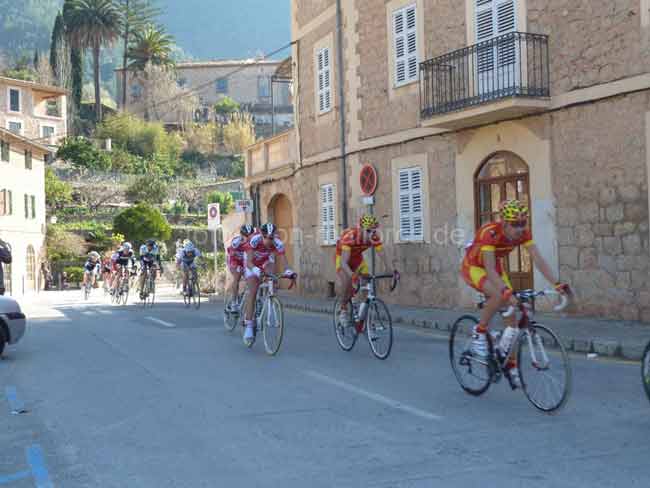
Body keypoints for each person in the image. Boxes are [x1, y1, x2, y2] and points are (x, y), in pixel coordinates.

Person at [461, 199, 571, 388]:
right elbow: (488, 268)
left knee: (513, 323)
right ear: (504, 223)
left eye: (523, 223)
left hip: (496, 268)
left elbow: (538, 260)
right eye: (515, 225)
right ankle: (479, 332)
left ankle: (510, 365)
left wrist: (558, 284)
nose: (520, 229)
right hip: (475, 267)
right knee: (498, 295)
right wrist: (506, 291)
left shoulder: (523, 234)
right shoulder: (490, 233)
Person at [335, 214, 398, 328]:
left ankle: (362, 315)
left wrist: (392, 272)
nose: (372, 234)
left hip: (358, 260)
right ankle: (343, 309)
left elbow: (383, 254)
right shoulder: (350, 236)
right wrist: (352, 276)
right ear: (360, 229)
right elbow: (344, 263)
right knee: (347, 282)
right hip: (343, 260)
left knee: (366, 282)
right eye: (368, 230)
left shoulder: (374, 237)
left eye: (374, 230)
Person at [242, 223, 296, 346]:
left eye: (271, 238)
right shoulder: (254, 240)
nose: (269, 241)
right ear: (262, 235)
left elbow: (284, 261)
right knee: (253, 290)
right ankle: (249, 325)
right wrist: (255, 270)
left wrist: (289, 271)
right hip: (251, 263)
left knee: (272, 276)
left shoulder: (278, 243)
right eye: (267, 238)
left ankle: (270, 296)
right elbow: (249, 262)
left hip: (265, 260)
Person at [225, 224, 255, 312]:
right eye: (246, 235)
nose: (248, 237)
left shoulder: (254, 241)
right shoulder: (236, 241)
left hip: (245, 262)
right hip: (234, 260)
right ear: (241, 235)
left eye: (250, 235)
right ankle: (234, 302)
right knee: (237, 276)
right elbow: (232, 254)